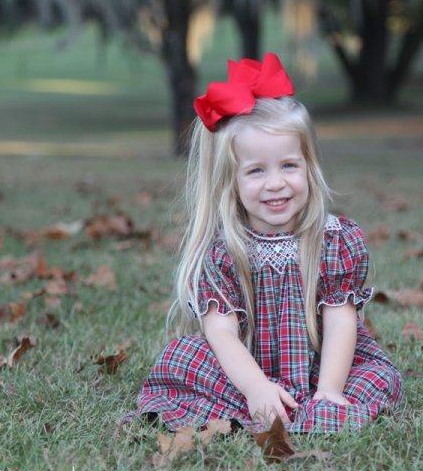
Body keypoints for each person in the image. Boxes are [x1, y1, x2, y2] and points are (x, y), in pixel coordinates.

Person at [134, 54, 402, 433]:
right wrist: (257, 387)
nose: (276, 183)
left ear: (309, 167)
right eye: (257, 171)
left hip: (321, 368)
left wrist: (328, 388)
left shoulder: (332, 240)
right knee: (184, 358)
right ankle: (264, 408)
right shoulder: (221, 251)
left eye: (289, 166)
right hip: (245, 374)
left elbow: (343, 322)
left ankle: (321, 408)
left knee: (375, 377)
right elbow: (221, 333)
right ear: (230, 181)